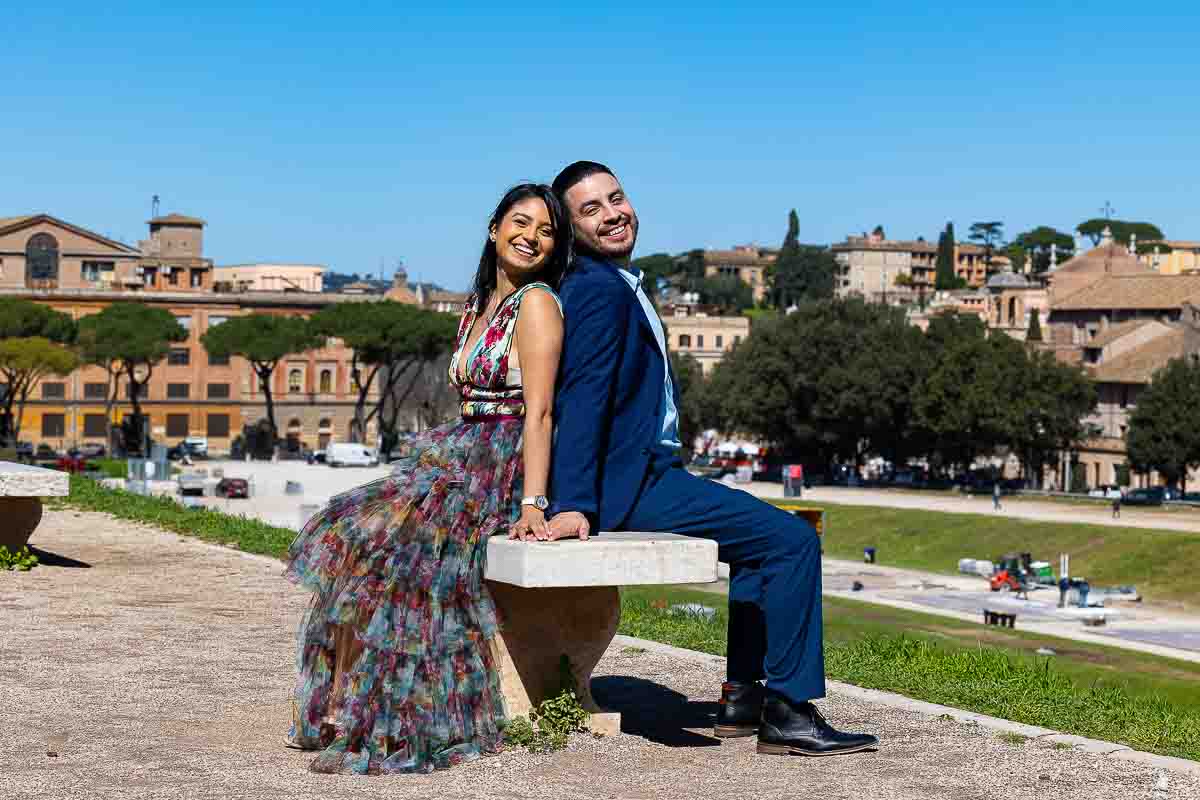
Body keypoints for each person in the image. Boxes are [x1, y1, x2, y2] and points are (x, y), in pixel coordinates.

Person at [544, 161, 878, 757]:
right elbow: (584, 397)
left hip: (648, 472)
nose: (613, 213)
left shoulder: (614, 283)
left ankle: (745, 698)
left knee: (759, 549)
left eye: (616, 198)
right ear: (572, 230)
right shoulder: (598, 289)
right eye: (591, 210)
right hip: (633, 482)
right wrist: (573, 504)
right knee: (793, 541)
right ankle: (791, 711)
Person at [284, 183, 574, 775]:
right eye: (521, 223)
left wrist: (534, 503)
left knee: (405, 560)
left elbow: (539, 411)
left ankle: (404, 717)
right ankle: (354, 705)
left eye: (546, 232)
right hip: (461, 450)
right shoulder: (476, 306)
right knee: (353, 535)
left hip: (501, 461)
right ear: (493, 229)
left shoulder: (538, 303)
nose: (532, 237)